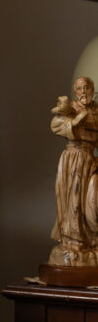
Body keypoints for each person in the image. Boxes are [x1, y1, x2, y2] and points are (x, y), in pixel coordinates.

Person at [49, 76, 98, 264]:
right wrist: (76, 122)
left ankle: (91, 241)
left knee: (90, 201)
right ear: (75, 91)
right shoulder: (71, 108)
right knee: (73, 201)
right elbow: (57, 125)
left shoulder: (96, 110)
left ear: (92, 89)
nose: (84, 91)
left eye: (87, 87)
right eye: (79, 88)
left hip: (90, 159)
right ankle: (74, 244)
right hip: (73, 159)